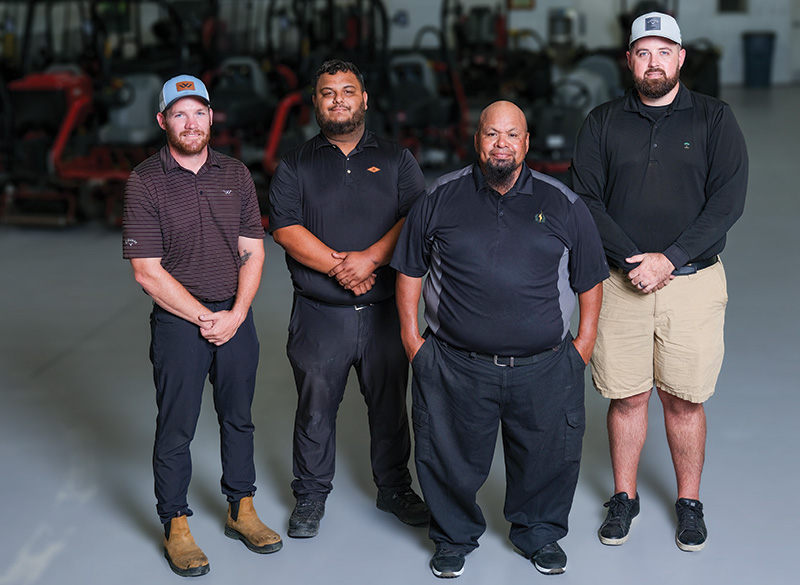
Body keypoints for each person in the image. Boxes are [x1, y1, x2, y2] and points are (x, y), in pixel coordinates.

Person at [392, 101, 608, 578]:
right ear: (477, 141)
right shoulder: (440, 197)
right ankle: (453, 537)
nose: (501, 144)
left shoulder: (562, 202)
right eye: (492, 135)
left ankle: (539, 534)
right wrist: (413, 341)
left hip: (546, 364)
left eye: (512, 135)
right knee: (446, 453)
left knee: (548, 455)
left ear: (527, 143)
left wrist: (583, 345)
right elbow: (408, 270)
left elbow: (590, 278)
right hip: (455, 363)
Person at [571, 12, 748, 552]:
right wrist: (632, 259)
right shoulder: (602, 121)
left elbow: (727, 203)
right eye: (643, 53)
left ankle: (688, 502)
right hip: (620, 284)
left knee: (684, 400)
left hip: (692, 284)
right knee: (626, 397)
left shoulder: (714, 120)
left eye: (663, 52)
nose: (654, 63)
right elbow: (585, 199)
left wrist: (668, 259)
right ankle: (624, 498)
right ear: (629, 60)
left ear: (680, 59)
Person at [122, 74, 282, 577]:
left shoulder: (235, 172)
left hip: (236, 316)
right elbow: (146, 270)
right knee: (177, 427)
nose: (190, 123)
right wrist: (204, 317)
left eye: (199, 112)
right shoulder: (144, 181)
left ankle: (242, 509)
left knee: (239, 418)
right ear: (163, 121)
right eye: (179, 113)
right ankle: (176, 523)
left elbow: (253, 251)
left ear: (212, 117)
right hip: (178, 324)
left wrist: (235, 314)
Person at [268, 59, 429, 539]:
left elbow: (415, 217)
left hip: (383, 311)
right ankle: (311, 495)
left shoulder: (398, 159)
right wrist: (344, 266)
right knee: (315, 406)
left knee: (389, 405)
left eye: (347, 91)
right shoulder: (295, 163)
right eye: (327, 92)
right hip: (320, 313)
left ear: (364, 99)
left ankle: (394, 487)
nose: (338, 99)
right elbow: (285, 228)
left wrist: (371, 261)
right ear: (315, 102)